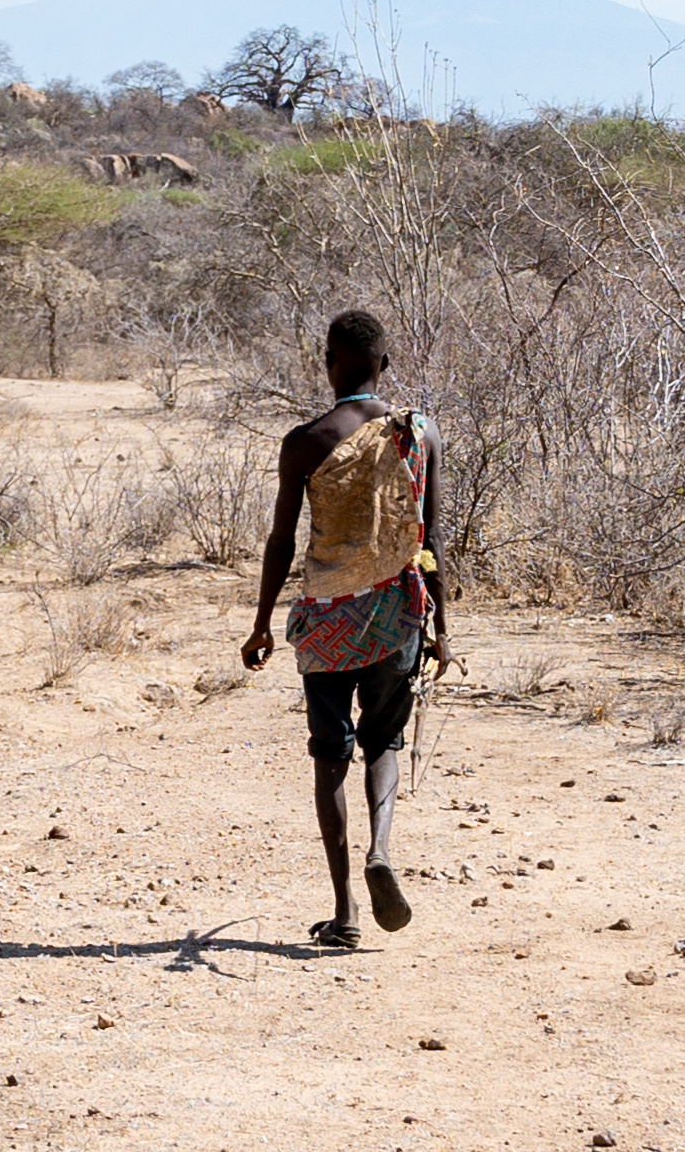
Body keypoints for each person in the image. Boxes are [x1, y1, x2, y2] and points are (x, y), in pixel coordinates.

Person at [239, 308, 447, 949]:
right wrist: (445, 629)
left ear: (328, 364)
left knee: (330, 757)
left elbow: (281, 539)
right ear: (384, 364)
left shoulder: (305, 441)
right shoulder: (420, 433)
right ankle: (381, 848)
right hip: (397, 617)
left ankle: (346, 913)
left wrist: (262, 624)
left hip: (328, 620)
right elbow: (432, 540)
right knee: (384, 743)